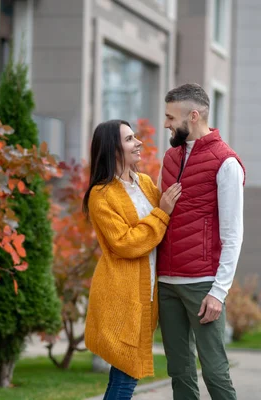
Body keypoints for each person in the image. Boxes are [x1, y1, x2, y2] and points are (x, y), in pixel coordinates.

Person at [157, 83, 245, 400]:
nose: (165, 123)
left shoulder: (226, 163)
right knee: (179, 372)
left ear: (193, 116)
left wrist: (219, 292)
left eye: (170, 117)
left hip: (202, 285)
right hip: (166, 282)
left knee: (214, 371)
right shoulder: (169, 158)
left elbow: (233, 233)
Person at [83, 119, 182, 400]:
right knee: (127, 376)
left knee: (124, 376)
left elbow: (164, 230)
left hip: (146, 294)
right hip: (120, 296)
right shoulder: (101, 195)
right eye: (129, 139)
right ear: (111, 149)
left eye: (136, 137)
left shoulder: (146, 184)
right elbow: (125, 243)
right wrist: (161, 213)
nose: (138, 143)